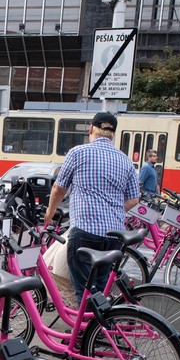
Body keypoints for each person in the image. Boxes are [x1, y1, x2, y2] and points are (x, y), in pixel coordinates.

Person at [43, 112, 140, 300]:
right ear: (113, 134)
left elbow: (58, 188)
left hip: (85, 231)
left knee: (83, 289)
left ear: (91, 130)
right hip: (114, 235)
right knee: (100, 287)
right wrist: (113, 211)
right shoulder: (124, 160)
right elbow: (134, 199)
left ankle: (88, 328)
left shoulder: (78, 153)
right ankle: (99, 325)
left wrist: (50, 212)